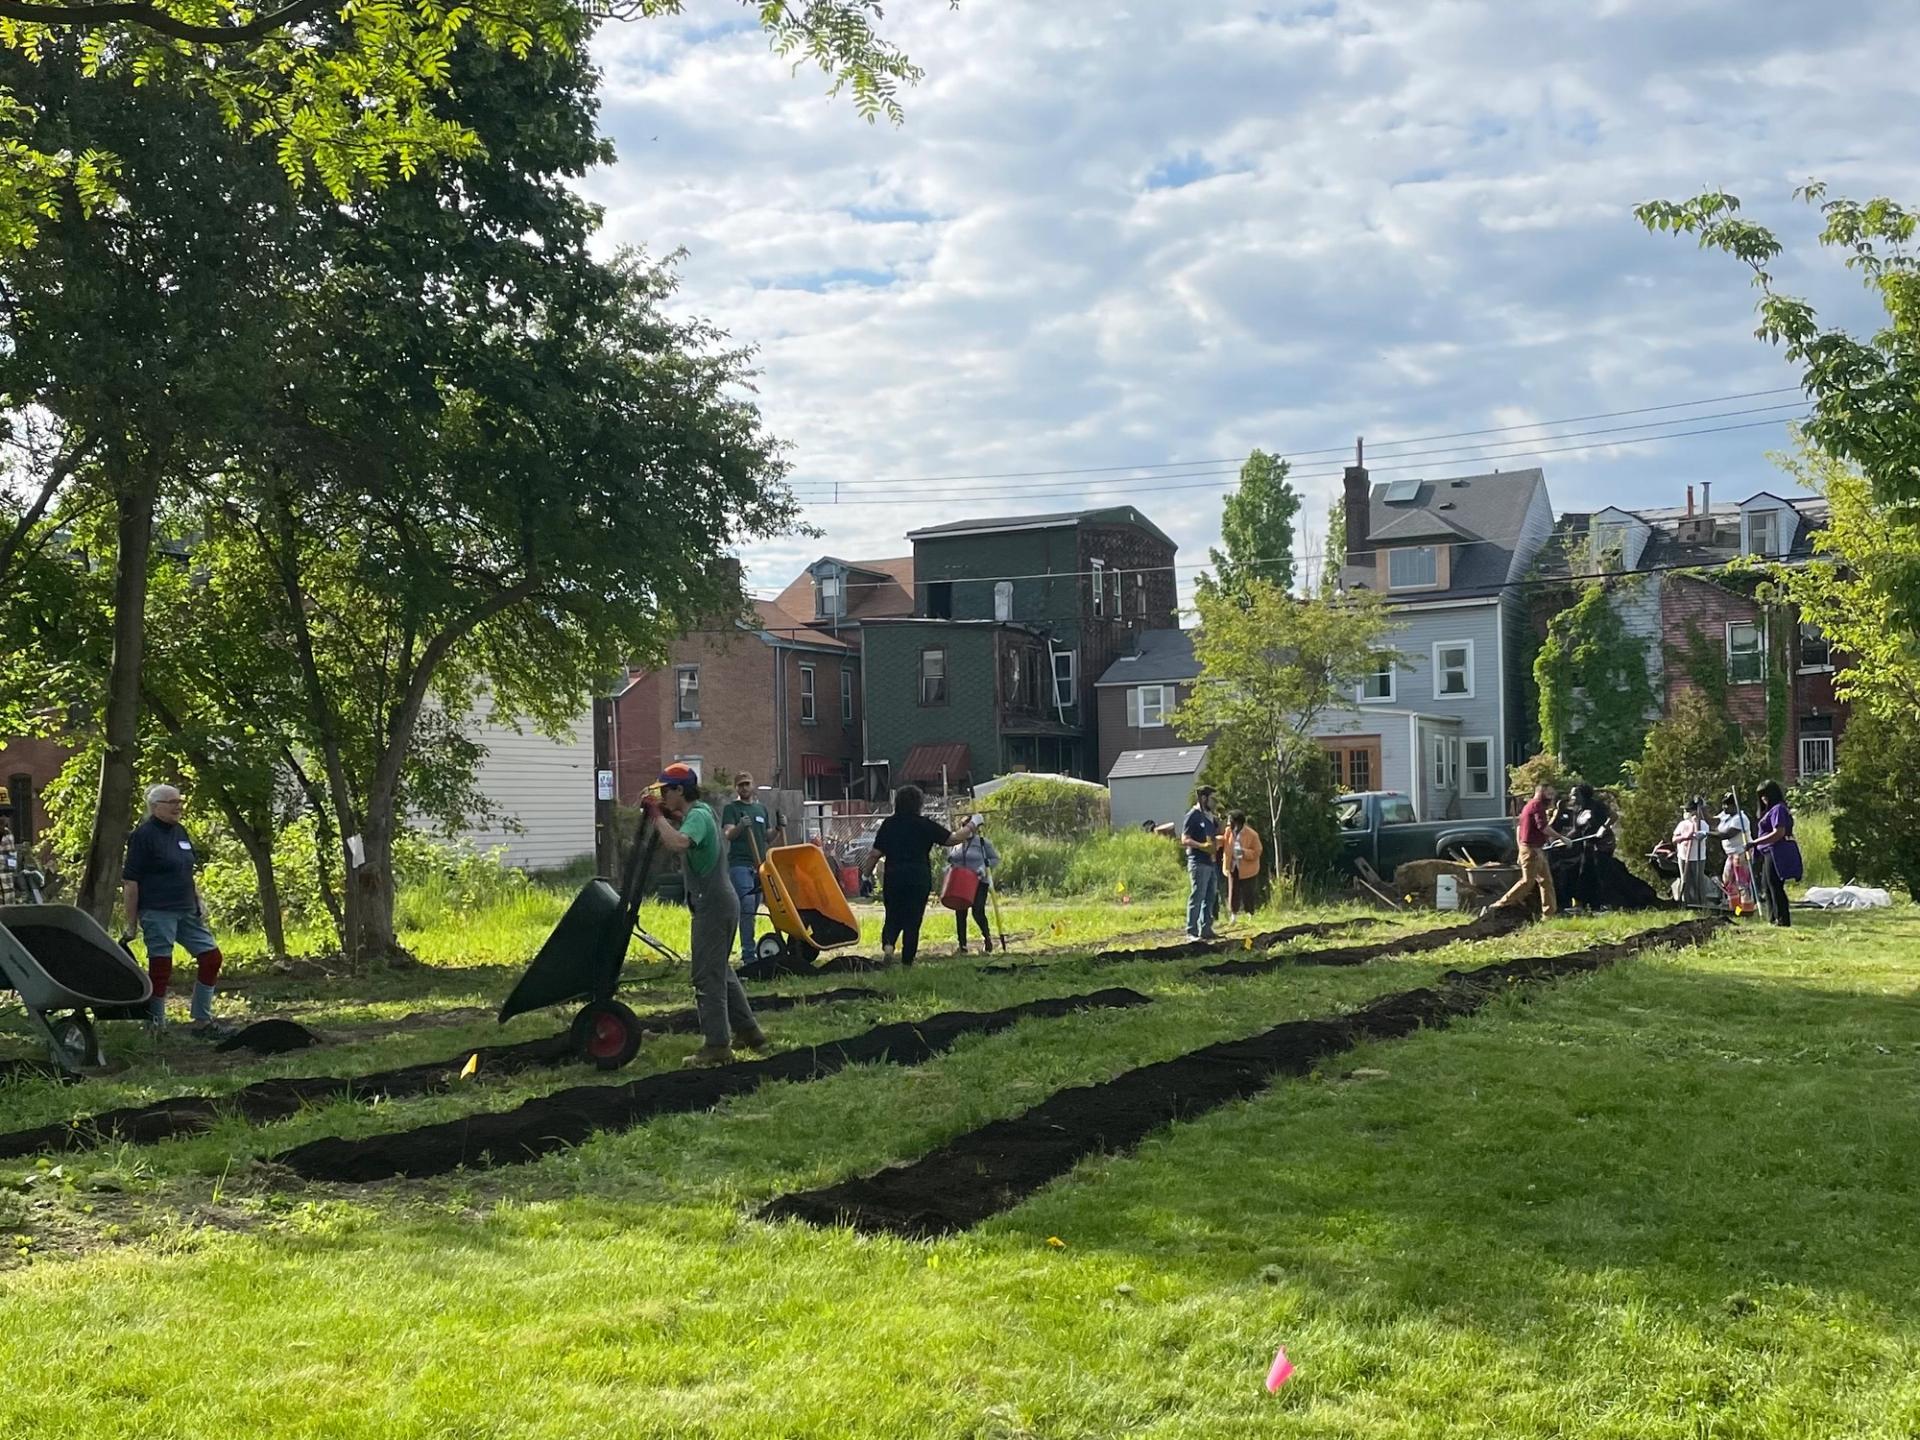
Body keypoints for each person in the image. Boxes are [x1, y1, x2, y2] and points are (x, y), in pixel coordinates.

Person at [645, 764, 768, 1066]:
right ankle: (750, 1033)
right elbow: (685, 829)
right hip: (720, 902)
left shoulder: (698, 816)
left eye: (665, 790)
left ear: (679, 791)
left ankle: (717, 1046)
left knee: (706, 976)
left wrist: (657, 817)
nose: (662, 794)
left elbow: (677, 842)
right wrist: (669, 816)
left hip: (712, 905)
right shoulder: (701, 813)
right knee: (721, 972)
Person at [121, 784, 226, 1034]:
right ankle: (156, 1024)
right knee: (161, 966)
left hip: (186, 909)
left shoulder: (180, 831)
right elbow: (130, 881)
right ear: (155, 807)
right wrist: (131, 922)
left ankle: (202, 1019)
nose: (178, 806)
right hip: (157, 910)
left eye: (180, 802)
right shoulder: (143, 836)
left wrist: (197, 900)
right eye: (172, 802)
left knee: (212, 958)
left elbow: (186, 871)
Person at [862, 786, 975, 965]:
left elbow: (874, 854)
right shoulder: (924, 824)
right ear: (918, 804)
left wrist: (865, 876)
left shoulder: (889, 824)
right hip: (918, 876)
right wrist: (972, 824)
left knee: (892, 914)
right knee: (913, 919)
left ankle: (889, 945)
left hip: (894, 876)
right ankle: (907, 961)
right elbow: (953, 839)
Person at [720, 772, 783, 965]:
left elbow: (767, 837)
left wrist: (779, 828)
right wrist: (740, 826)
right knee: (746, 909)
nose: (744, 788)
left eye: (747, 784)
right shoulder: (732, 808)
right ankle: (748, 955)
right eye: (740, 785)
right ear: (736, 788)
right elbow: (728, 834)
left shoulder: (760, 809)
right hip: (740, 865)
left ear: (752, 785)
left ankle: (764, 947)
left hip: (760, 866)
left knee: (758, 908)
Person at [1486, 782, 1567, 919]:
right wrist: (1562, 838)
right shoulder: (1536, 806)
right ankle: (1498, 905)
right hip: (1532, 851)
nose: (1551, 797)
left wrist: (1520, 849)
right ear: (1540, 792)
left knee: (1546, 882)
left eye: (1552, 794)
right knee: (1527, 882)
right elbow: (1543, 827)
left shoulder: (1528, 806)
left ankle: (1549, 915)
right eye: (1549, 794)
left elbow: (1519, 829)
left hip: (1535, 849)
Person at [1752, 780, 1801, 927]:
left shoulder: (1778, 809)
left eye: (1765, 795)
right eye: (1760, 796)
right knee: (1766, 885)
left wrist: (1756, 842)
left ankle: (1782, 919)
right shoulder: (1769, 811)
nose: (1763, 798)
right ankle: (1772, 917)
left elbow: (1779, 832)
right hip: (1768, 851)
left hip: (1778, 850)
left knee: (1775, 885)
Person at [946, 822, 1000, 954]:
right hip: (961, 882)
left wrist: (983, 867)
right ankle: (962, 945)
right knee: (960, 912)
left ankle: (987, 937)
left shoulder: (982, 843)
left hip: (979, 881)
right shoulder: (957, 844)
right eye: (963, 826)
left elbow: (995, 859)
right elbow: (951, 859)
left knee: (977, 910)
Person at [1181, 786, 1225, 940]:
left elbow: (1217, 834)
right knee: (1197, 896)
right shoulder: (1192, 815)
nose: (1215, 803)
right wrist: (1201, 846)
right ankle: (1191, 931)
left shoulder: (1210, 816)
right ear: (1204, 798)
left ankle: (1206, 929)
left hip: (1211, 862)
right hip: (1198, 861)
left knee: (1210, 897)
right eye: (1213, 799)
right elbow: (1184, 839)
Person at [1715, 791, 1757, 915]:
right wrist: (1701, 809)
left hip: (1742, 852)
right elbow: (1712, 821)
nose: (1724, 807)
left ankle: (1747, 910)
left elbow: (1727, 835)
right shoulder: (1724, 816)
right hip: (1730, 854)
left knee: (1742, 883)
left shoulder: (1741, 819)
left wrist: (1707, 834)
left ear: (1735, 805)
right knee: (1727, 881)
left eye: (1727, 805)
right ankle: (1736, 909)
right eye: (1723, 804)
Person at [1226, 812, 1265, 917]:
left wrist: (1244, 852)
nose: (1228, 823)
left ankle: (1250, 914)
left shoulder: (1252, 834)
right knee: (1233, 891)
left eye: (1230, 821)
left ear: (1237, 823)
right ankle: (1233, 914)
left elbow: (1257, 851)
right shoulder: (1228, 832)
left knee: (1248, 892)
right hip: (1233, 866)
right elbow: (1224, 842)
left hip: (1248, 869)